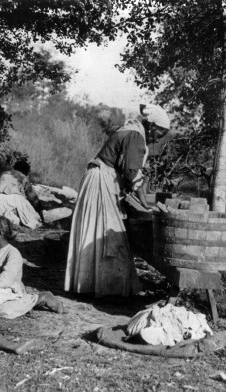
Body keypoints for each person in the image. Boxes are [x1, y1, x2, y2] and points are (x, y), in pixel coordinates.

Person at [64, 104, 171, 297]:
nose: (158, 138)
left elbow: (132, 172)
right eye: (159, 133)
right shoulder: (135, 136)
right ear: (151, 125)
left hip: (98, 178)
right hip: (101, 181)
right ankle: (108, 289)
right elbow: (132, 173)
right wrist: (145, 205)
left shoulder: (131, 132)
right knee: (108, 235)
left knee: (97, 231)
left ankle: (92, 284)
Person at [0, 161, 44, 229]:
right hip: (14, 201)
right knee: (31, 214)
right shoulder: (24, 178)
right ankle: (12, 215)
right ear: (26, 171)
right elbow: (33, 199)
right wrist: (40, 213)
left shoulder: (4, 174)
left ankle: (6, 215)